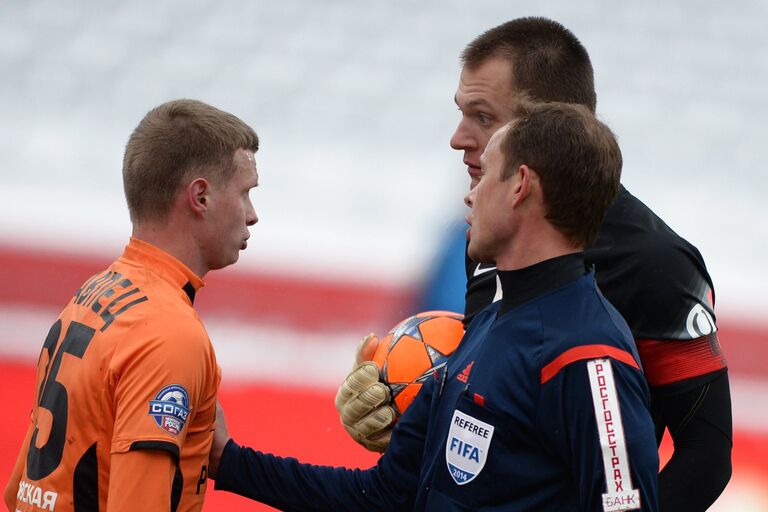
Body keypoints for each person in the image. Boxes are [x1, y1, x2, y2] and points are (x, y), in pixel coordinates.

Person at [335, 17, 732, 511]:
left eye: (482, 117)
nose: (458, 138)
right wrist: (402, 405)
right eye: (461, 114)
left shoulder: (659, 264)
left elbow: (707, 456)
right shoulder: (492, 233)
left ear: (547, 127)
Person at [211, 101, 660, 511]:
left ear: (520, 185)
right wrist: (229, 462)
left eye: (484, 176)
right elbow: (383, 497)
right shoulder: (486, 324)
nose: (470, 195)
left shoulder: (589, 357)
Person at [3, 99, 260, 512]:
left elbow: (20, 489)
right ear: (201, 196)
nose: (252, 215)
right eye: (245, 193)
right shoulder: (169, 334)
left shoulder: (93, 294)